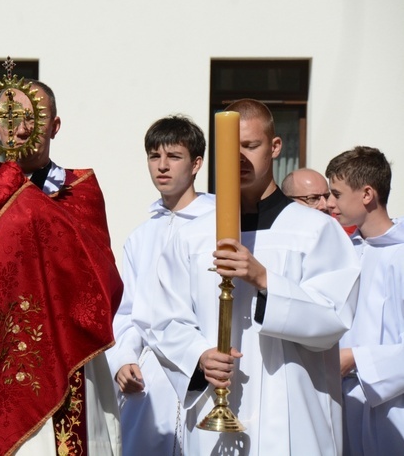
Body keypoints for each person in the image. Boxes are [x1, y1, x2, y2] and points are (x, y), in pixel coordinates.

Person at [149, 98, 360, 455]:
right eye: (232, 148)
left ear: (275, 147)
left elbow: (334, 316)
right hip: (215, 419)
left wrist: (265, 280)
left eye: (251, 146)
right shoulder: (192, 235)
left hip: (294, 412)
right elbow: (165, 316)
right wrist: (199, 355)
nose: (241, 158)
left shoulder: (316, 230)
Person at [0, 80, 123, 456]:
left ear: (54, 125)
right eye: (10, 117)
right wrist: (4, 190)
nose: (21, 129)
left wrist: (27, 203)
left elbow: (102, 281)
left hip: (66, 358)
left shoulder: (80, 192)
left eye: (32, 118)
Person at [106, 114, 214, 455]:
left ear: (196, 163)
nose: (162, 166)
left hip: (206, 369)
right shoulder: (141, 237)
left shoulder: (218, 223)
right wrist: (123, 359)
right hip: (150, 378)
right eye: (154, 156)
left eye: (174, 156)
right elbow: (128, 311)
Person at [325, 146, 404, 455]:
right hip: (344, 400)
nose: (329, 204)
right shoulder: (344, 250)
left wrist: (357, 359)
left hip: (394, 409)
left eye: (337, 194)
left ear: (367, 194)